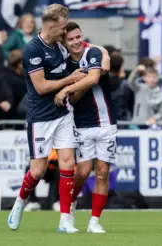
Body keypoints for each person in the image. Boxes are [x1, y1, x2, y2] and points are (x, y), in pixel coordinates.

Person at [7, 4, 85, 233]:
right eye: (62, 28)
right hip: (40, 117)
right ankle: (20, 202)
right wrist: (70, 80)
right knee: (38, 171)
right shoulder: (32, 49)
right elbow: (41, 87)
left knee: (68, 163)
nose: (65, 32)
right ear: (50, 27)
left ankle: (64, 221)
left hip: (63, 113)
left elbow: (82, 47)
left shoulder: (61, 45)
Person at [53, 22, 113, 234]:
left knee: (102, 173)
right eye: (71, 39)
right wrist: (70, 89)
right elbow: (73, 98)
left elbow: (94, 77)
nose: (76, 41)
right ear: (64, 43)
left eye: (78, 37)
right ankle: (70, 207)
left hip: (107, 123)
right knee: (83, 172)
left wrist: (68, 89)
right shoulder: (64, 65)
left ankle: (94, 222)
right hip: (81, 124)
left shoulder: (94, 52)